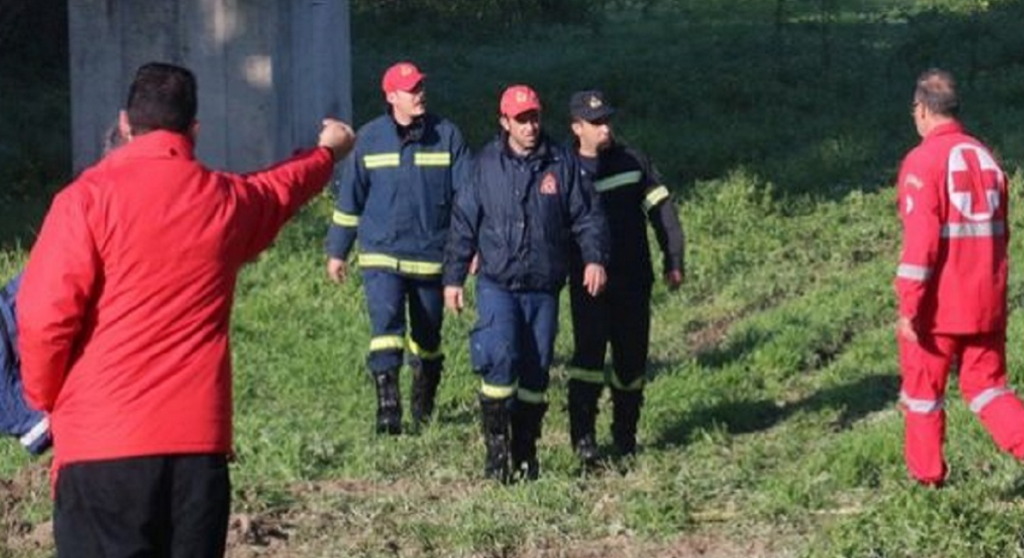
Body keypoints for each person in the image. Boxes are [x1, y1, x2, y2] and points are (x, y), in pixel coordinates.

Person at [18, 61, 355, 557]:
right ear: (193, 130)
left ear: (125, 124)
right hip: (196, 453)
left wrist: (45, 398)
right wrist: (327, 153)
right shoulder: (224, 202)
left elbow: (44, 318)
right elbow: (278, 188)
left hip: (100, 446)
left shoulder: (84, 201)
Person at [443, 84, 609, 482]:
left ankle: (525, 450)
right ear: (505, 122)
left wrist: (594, 259)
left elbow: (587, 216)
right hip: (498, 282)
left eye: (534, 117)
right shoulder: (483, 165)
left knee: (536, 372)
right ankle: (496, 452)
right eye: (521, 120)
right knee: (499, 357)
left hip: (544, 285)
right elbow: (463, 222)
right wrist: (453, 277)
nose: (530, 126)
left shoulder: (561, 163)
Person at [325, 61, 471, 435]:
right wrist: (337, 251)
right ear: (391, 97)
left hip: (430, 258)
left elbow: (468, 200)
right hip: (381, 256)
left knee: (428, 338)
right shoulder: (369, 139)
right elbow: (350, 201)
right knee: (385, 329)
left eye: (421, 86)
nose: (420, 93)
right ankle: (388, 408)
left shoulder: (448, 135)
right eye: (411, 89)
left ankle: (424, 400)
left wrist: (473, 249)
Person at [895, 68, 1024, 487]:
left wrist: (908, 307)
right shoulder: (987, 158)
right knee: (988, 389)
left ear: (922, 110)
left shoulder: (922, 161)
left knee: (923, 394)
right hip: (987, 301)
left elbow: (921, 245)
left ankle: (928, 481)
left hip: (939, 309)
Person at [565, 90, 684, 465]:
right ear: (577, 127)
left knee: (631, 362)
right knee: (588, 358)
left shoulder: (633, 161)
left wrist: (673, 257)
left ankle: (625, 437)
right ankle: (583, 439)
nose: (605, 128)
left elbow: (662, 210)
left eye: (607, 120)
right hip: (589, 284)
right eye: (595, 123)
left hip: (633, 278)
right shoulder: (565, 167)